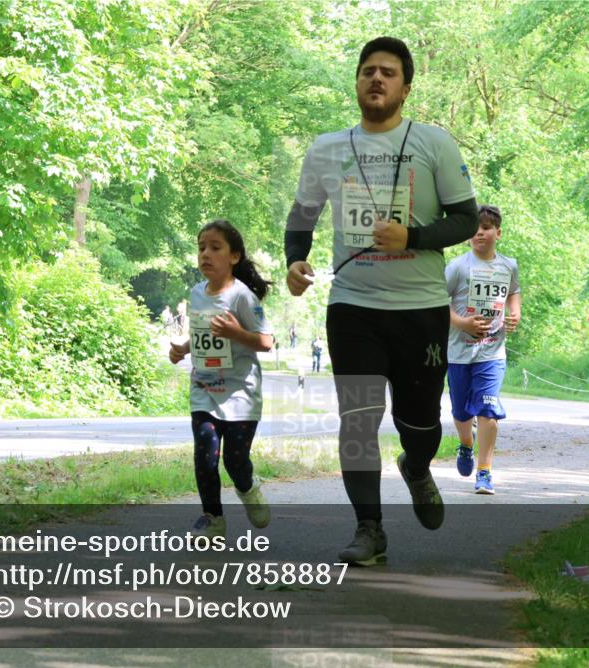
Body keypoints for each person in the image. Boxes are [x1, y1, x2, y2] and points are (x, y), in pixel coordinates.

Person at [284, 36, 479, 566]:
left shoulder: (434, 143)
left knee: (420, 424)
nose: (376, 78)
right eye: (367, 70)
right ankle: (369, 529)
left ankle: (416, 468)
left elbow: (466, 218)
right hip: (353, 306)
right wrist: (295, 261)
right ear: (356, 83)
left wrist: (412, 238)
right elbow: (303, 215)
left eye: (388, 72)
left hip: (419, 308)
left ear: (405, 87)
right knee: (358, 421)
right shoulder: (327, 146)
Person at [169, 220, 274, 539]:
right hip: (204, 390)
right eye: (201, 247)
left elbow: (267, 341)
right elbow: (203, 332)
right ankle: (212, 517)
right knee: (205, 452)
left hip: (241, 393)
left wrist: (236, 332)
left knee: (235, 459)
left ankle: (248, 487)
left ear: (234, 256)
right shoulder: (196, 293)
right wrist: (184, 349)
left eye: (215, 248)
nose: (206, 254)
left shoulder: (243, 297)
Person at [445, 205, 520, 495]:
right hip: (459, 352)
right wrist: (463, 323)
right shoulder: (457, 267)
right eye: (475, 228)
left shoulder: (508, 265)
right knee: (462, 411)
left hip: (493, 352)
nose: (480, 232)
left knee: (488, 409)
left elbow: (514, 291)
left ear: (497, 233)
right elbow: (438, 302)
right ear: (467, 236)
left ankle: (485, 472)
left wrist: (515, 313)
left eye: (487, 227)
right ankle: (466, 443)